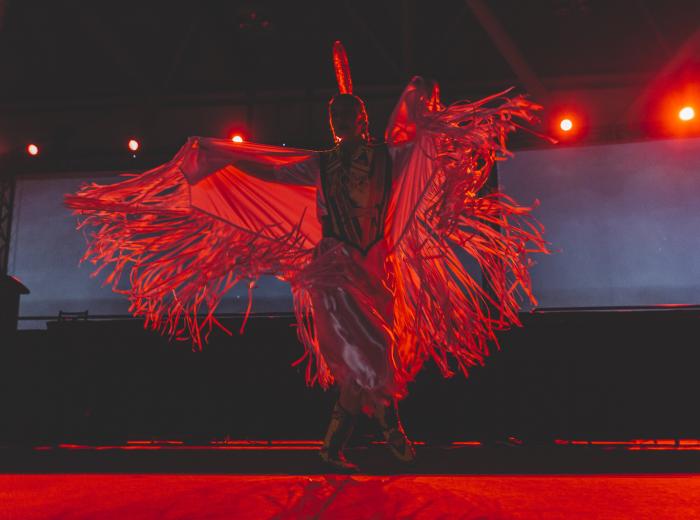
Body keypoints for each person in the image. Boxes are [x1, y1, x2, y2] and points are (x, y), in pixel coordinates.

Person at [65, 42, 547, 472]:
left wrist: (420, 102)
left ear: (359, 120)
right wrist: (222, 156)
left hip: (376, 267)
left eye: (345, 118)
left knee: (362, 369)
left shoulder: (387, 158)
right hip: (334, 270)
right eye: (332, 120)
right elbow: (270, 169)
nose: (337, 126)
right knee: (370, 354)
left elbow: (423, 149)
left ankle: (330, 449)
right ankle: (393, 433)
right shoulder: (320, 163)